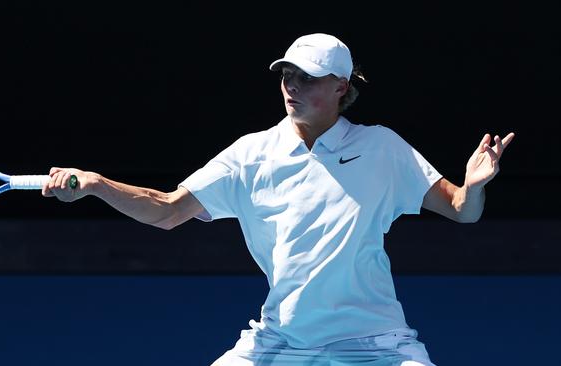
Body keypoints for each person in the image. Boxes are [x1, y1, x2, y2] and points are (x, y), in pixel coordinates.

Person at [43, 33, 515, 366]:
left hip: (376, 342)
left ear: (340, 87)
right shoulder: (252, 155)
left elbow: (461, 211)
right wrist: (97, 184)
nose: (293, 85)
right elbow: (167, 210)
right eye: (287, 74)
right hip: (282, 341)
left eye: (308, 77)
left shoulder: (382, 148)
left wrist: (473, 187)